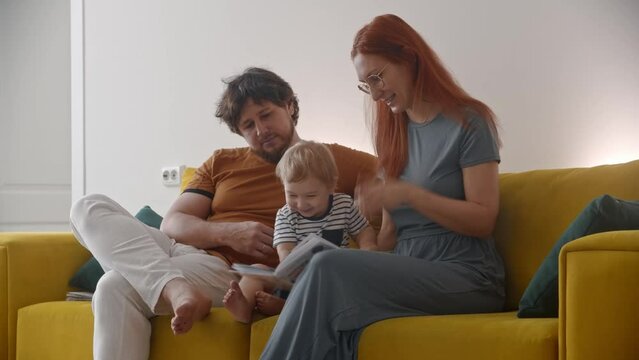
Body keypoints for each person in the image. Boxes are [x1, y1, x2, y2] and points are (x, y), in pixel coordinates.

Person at [69, 67, 378, 360]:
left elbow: (397, 175)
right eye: (248, 125)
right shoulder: (221, 161)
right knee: (87, 207)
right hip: (178, 252)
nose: (261, 130)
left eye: (266, 115)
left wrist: (380, 220)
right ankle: (176, 289)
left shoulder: (329, 159)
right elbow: (173, 223)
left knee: (112, 286)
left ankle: (177, 288)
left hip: (231, 274)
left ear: (290, 106)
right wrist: (229, 232)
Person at [260, 14, 506, 359]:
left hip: (467, 274)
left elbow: (484, 220)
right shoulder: (394, 132)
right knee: (332, 287)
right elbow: (390, 238)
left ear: (409, 58)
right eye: (366, 84)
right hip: (408, 267)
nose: (375, 94)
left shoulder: (469, 123)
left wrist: (408, 194)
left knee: (328, 270)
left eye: (377, 77)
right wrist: (361, 248)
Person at [223, 140, 377, 323]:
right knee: (256, 271)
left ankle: (284, 306)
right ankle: (244, 306)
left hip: (331, 279)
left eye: (311, 196)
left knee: (347, 284)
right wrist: (290, 264)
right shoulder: (286, 215)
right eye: (292, 195)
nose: (301, 204)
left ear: (330, 186)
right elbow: (285, 252)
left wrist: (369, 248)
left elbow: (363, 230)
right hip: (295, 281)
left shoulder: (343, 204)